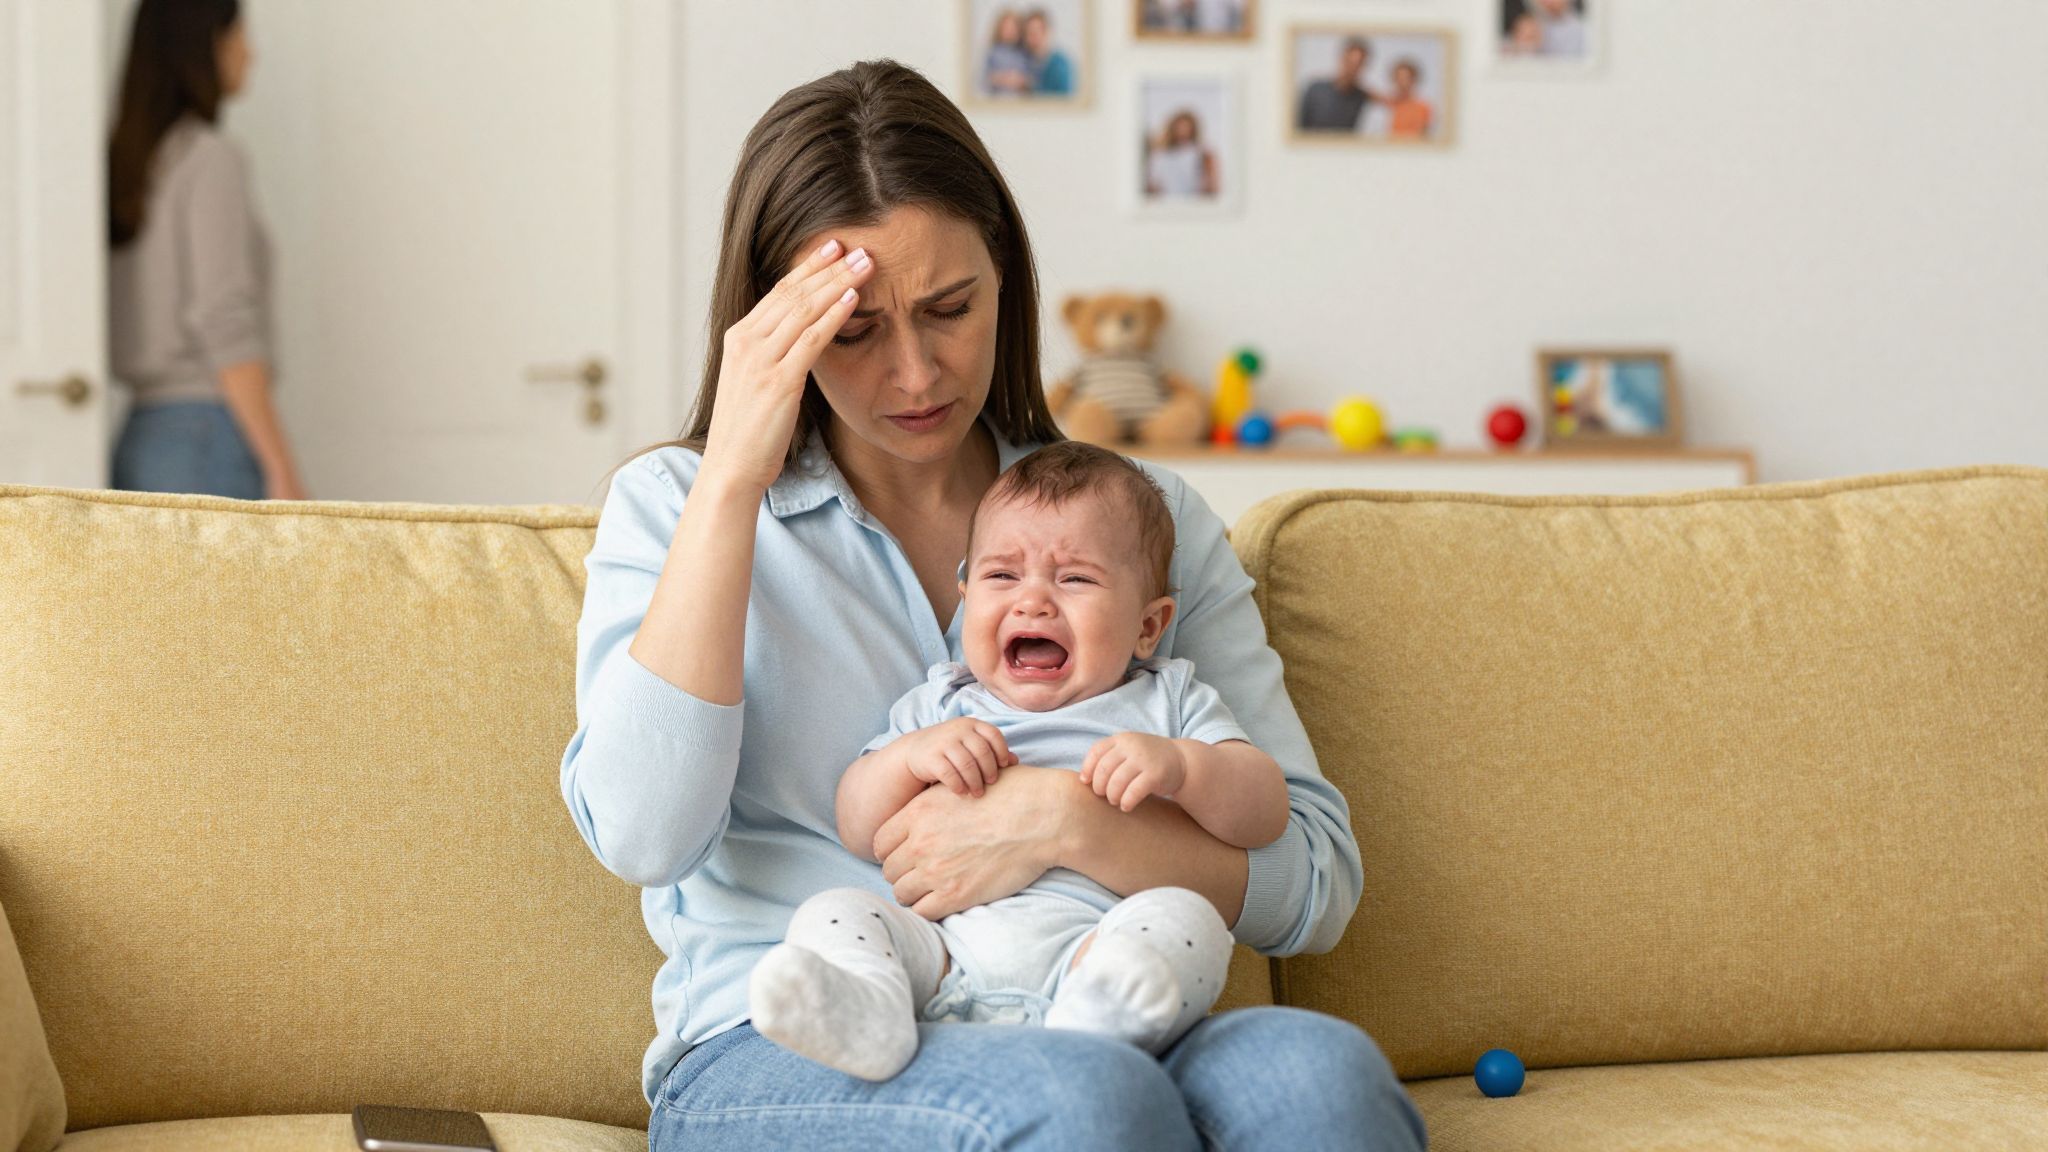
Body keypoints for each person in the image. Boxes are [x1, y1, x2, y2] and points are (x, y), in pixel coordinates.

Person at [560, 58, 1425, 1150]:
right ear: (773, 324)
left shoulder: (1137, 523)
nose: (915, 373)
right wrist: (734, 471)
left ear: (1005, 279)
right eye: (855, 331)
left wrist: (1070, 825)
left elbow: (1314, 880)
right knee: (1078, 1102)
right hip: (785, 1048)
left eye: (949, 309)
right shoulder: (676, 506)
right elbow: (643, 834)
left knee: (1318, 1081)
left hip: (1100, 1001)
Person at [750, 442, 1290, 1081]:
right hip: (946, 961)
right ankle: (871, 1013)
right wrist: (908, 759)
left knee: (1186, 919)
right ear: (965, 597)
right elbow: (857, 824)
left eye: (1075, 578)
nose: (1033, 601)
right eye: (1002, 576)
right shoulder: (943, 703)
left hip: (1094, 952)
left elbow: (1266, 813)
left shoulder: (1168, 699)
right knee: (835, 910)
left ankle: (1105, 1023)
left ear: (1150, 625)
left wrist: (1184, 767)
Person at [107, 0, 307, 501]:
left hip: (142, 437)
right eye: (239, 37)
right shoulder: (208, 158)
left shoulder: (133, 165)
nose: (250, 54)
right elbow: (223, 318)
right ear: (206, 47)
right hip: (207, 435)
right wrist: (281, 467)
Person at [1297, 36, 1376, 133]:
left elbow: (1387, 100)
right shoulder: (1315, 89)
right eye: (1350, 62)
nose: (1353, 69)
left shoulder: (1361, 96)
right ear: (1341, 59)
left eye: (1358, 64)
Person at [1144, 110, 1219, 199]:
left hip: (1194, 203)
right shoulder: (1160, 154)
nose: (1182, 130)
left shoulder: (1202, 153)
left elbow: (1211, 184)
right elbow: (1153, 182)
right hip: (1165, 203)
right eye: (1179, 126)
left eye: (1186, 127)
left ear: (1193, 129)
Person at [982, 9, 1035, 97]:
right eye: (1006, 28)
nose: (1010, 31)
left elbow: (1032, 79)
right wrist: (1002, 79)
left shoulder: (1025, 53)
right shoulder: (993, 53)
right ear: (999, 29)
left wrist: (1020, 80)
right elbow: (984, 80)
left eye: (1013, 28)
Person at [1021, 9, 1073, 97]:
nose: (1031, 38)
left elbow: (1064, 99)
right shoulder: (1025, 60)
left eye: (1035, 32)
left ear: (1046, 32)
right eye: (1028, 33)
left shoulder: (1060, 63)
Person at [1386, 59, 1434, 141]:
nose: (1401, 82)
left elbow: (1422, 137)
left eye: (1406, 78)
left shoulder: (1423, 107)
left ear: (1414, 80)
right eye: (1398, 78)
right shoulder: (1387, 104)